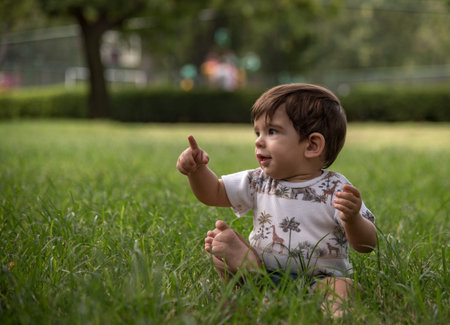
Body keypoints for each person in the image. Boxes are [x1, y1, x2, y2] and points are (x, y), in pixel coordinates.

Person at [176, 83, 377, 317]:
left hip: (320, 281)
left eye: (271, 132)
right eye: (257, 132)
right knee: (221, 252)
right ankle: (252, 281)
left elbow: (367, 245)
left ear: (312, 145)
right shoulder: (259, 180)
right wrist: (197, 171)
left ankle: (332, 311)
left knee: (342, 288)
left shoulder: (335, 188)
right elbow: (214, 193)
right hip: (262, 270)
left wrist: (352, 219)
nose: (259, 141)